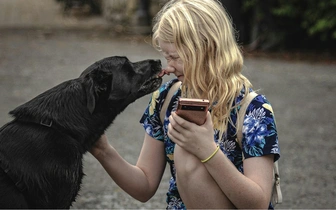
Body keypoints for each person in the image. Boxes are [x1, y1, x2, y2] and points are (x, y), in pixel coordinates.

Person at [90, 0, 280, 209]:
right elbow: (144, 185)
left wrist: (208, 151)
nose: (168, 68)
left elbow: (258, 204)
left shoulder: (252, 110)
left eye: (175, 57)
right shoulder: (166, 98)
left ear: (207, 48)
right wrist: (102, 149)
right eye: (165, 57)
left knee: (188, 153)